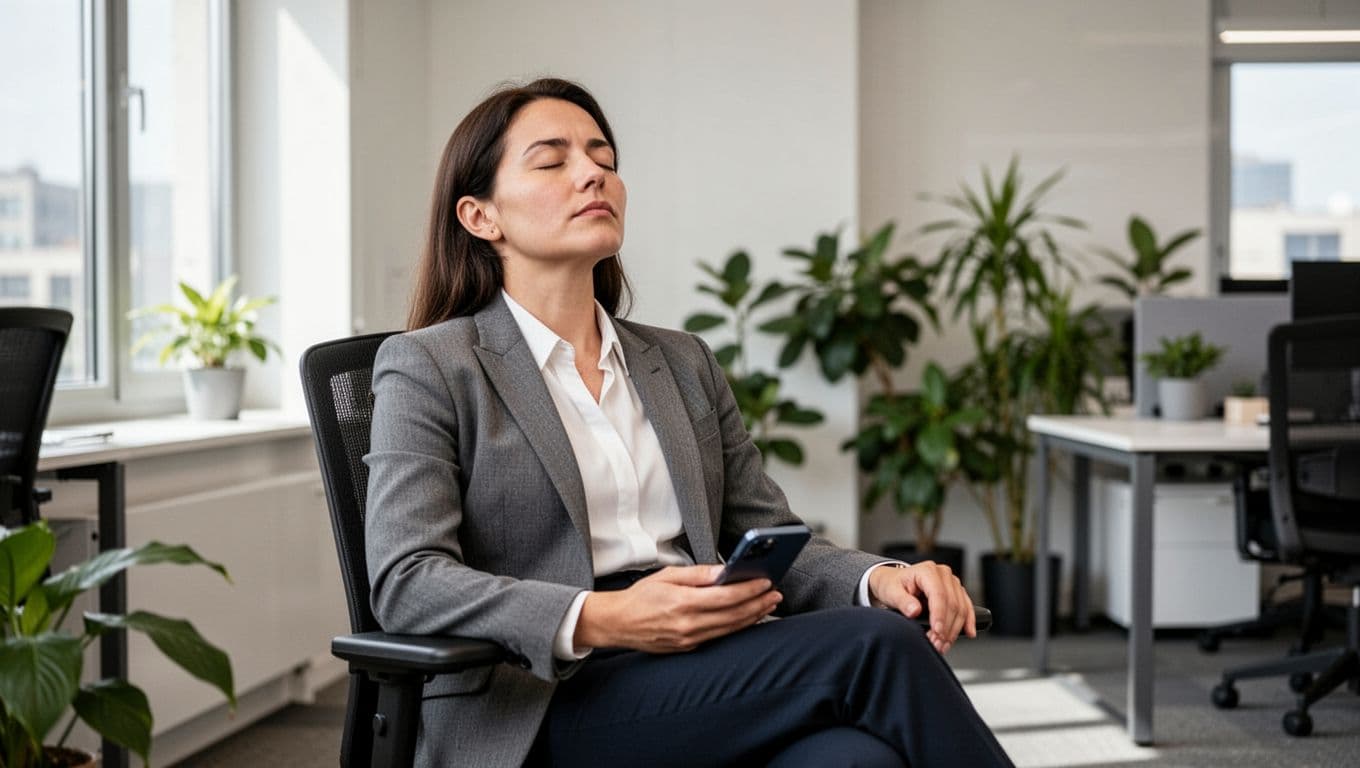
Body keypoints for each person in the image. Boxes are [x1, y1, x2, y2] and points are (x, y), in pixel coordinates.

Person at [365, 77, 1014, 768]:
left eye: (604, 158)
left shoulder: (680, 361)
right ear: (480, 217)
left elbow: (767, 534)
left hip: (703, 665)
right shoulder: (432, 366)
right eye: (552, 161)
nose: (593, 174)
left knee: (856, 760)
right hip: (543, 698)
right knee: (876, 645)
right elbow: (407, 578)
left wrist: (878, 578)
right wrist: (605, 617)